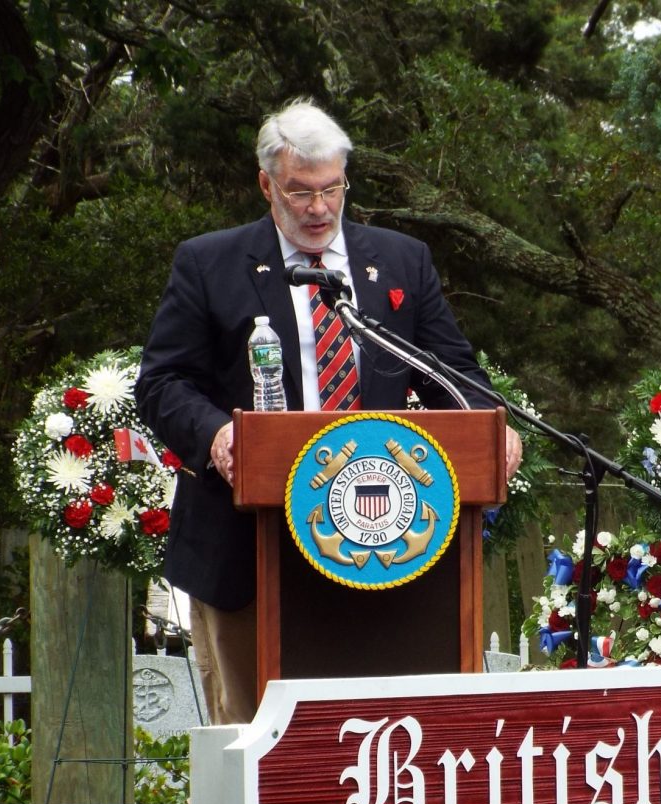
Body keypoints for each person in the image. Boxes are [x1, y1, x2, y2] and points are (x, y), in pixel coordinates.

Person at [135, 98, 522, 725]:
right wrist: (217, 435)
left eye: (331, 189)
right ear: (267, 184)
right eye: (299, 192)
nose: (318, 208)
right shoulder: (210, 264)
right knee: (257, 744)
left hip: (386, 548)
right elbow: (161, 382)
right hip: (246, 548)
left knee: (389, 731)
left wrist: (492, 429)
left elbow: (456, 374)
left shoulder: (401, 261)